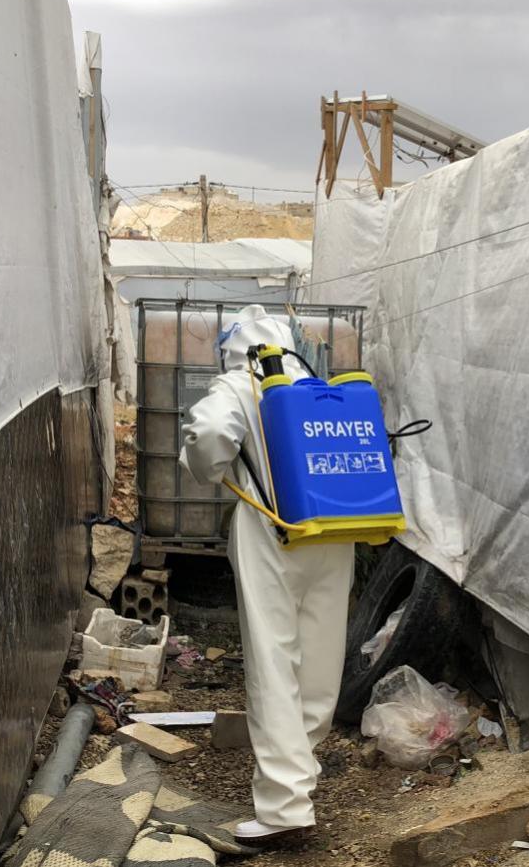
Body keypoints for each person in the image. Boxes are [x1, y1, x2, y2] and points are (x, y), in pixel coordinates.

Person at [179, 304, 354, 840]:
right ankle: (300, 772)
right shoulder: (319, 385)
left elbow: (208, 435)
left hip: (273, 530)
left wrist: (207, 468)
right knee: (320, 661)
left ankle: (284, 810)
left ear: (234, 348)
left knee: (274, 660)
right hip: (336, 528)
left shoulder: (242, 383)